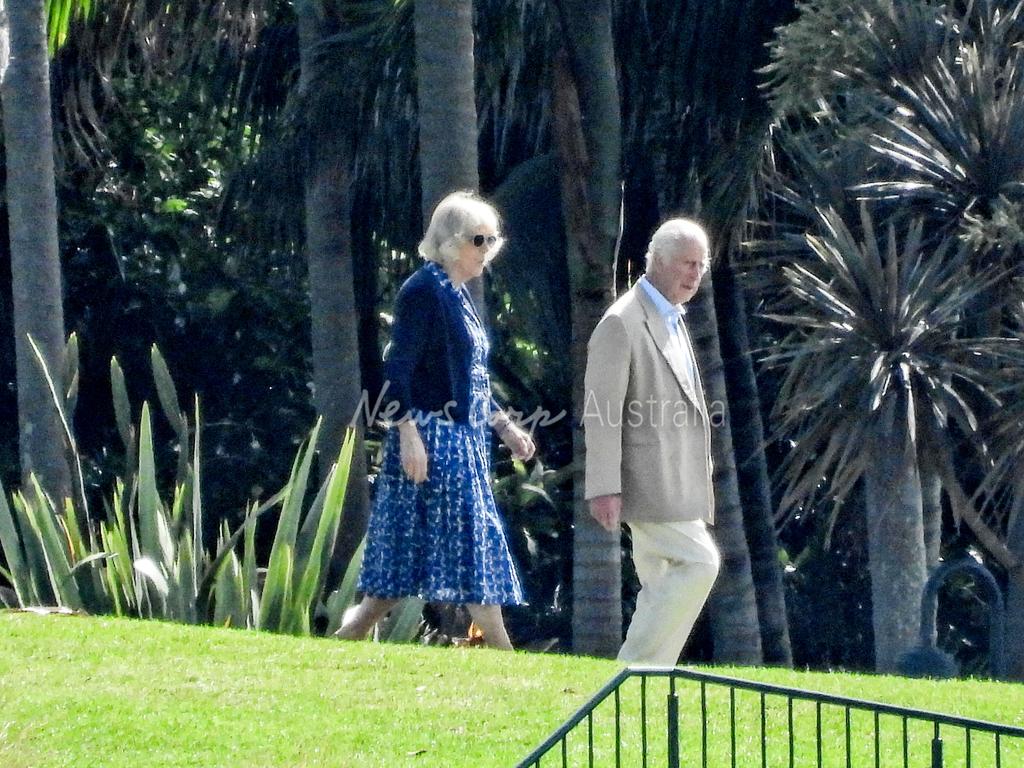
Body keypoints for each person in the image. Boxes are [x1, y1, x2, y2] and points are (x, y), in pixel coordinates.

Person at [335, 191, 535, 650]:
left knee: (406, 557)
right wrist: (408, 434)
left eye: (491, 240)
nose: (487, 249)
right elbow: (397, 369)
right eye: (478, 240)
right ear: (451, 243)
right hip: (433, 440)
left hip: (461, 441)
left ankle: (347, 637)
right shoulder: (423, 291)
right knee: (472, 543)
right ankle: (506, 655)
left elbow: (470, 379)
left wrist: (504, 427)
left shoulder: (456, 295)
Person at [583, 218, 720, 666]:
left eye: (701, 265)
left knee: (661, 586)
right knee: (701, 563)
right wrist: (603, 486)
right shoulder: (621, 322)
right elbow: (600, 412)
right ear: (657, 261)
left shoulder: (671, 317)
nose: (694, 273)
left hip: (675, 481)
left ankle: (649, 678)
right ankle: (631, 669)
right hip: (646, 482)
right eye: (686, 262)